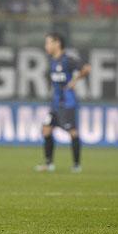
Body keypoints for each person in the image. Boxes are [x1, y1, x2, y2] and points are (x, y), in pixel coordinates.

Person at [36, 32, 91, 173]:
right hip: (55, 103)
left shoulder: (68, 59)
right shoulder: (52, 60)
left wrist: (74, 81)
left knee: (72, 132)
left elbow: (86, 68)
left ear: (57, 43)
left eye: (48, 43)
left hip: (68, 103)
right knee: (46, 129)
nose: (46, 46)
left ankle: (76, 165)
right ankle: (49, 164)